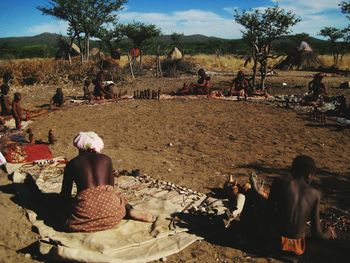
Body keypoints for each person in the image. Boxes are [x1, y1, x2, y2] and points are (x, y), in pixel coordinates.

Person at [61, 132, 156, 232]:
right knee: (116, 195)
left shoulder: (72, 164)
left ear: (79, 147)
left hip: (85, 216)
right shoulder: (106, 159)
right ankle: (129, 211)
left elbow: (65, 195)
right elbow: (111, 189)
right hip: (114, 214)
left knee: (61, 215)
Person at [242, 155, 336, 256]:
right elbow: (317, 234)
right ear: (309, 175)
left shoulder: (280, 183)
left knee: (252, 205)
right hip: (297, 248)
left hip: (274, 243)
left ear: (292, 171)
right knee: (304, 229)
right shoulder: (315, 195)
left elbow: (267, 211)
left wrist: (256, 195)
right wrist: (328, 233)